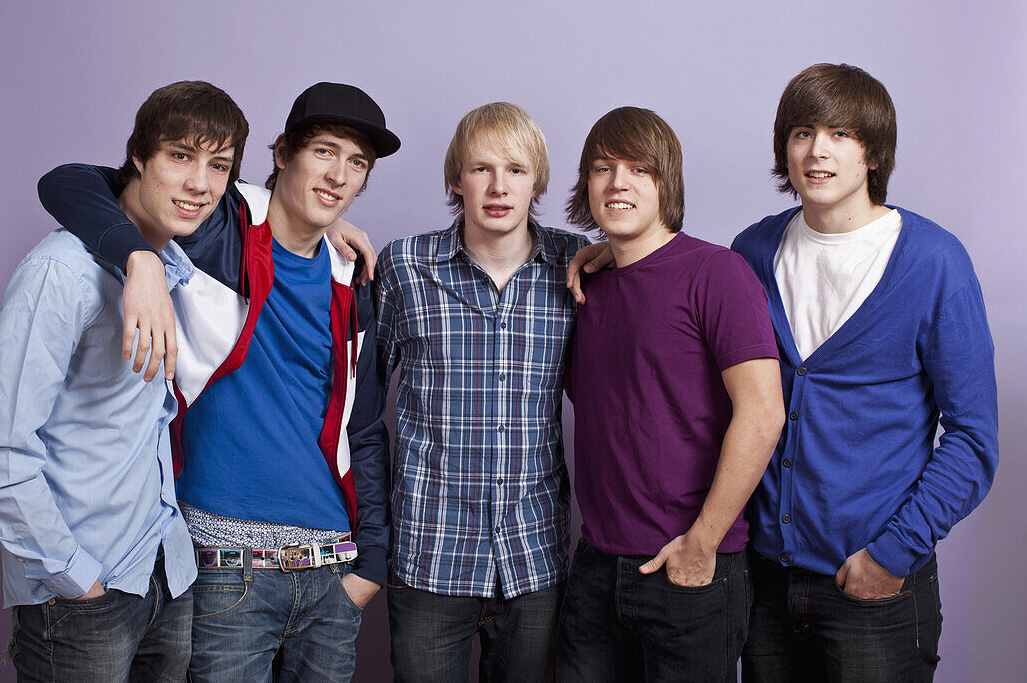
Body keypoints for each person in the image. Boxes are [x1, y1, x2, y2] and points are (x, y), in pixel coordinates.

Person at [37, 82, 399, 682]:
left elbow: (362, 429)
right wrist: (141, 259)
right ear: (282, 152)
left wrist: (372, 566)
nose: (338, 175)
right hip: (225, 570)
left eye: (357, 162)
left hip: (332, 574)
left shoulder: (353, 280)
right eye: (325, 151)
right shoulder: (214, 224)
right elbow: (67, 182)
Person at [0, 80, 249, 681]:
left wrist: (332, 231)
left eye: (218, 165)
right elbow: (1, 450)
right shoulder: (60, 274)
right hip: (82, 592)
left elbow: (291, 206)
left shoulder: (176, 263)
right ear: (139, 159)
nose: (200, 183)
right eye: (180, 156)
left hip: (164, 576)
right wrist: (73, 576)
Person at [730, 63, 999, 682]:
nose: (817, 150)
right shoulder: (753, 252)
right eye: (801, 133)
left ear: (873, 153)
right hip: (766, 585)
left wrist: (894, 553)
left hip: (874, 586)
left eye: (840, 134)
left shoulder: (933, 262)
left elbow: (972, 438)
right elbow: (685, 297)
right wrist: (611, 250)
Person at [556, 107, 784, 682]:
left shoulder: (718, 273)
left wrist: (701, 544)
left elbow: (762, 413)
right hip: (596, 568)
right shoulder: (587, 286)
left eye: (639, 169)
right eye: (603, 168)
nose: (618, 183)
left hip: (690, 571)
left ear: (667, 183)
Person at [374, 102, 588, 682]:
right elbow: (357, 405)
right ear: (455, 180)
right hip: (430, 556)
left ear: (537, 181)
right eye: (481, 169)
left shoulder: (576, 266)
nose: (499, 186)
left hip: (534, 557)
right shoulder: (405, 267)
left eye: (516, 170)